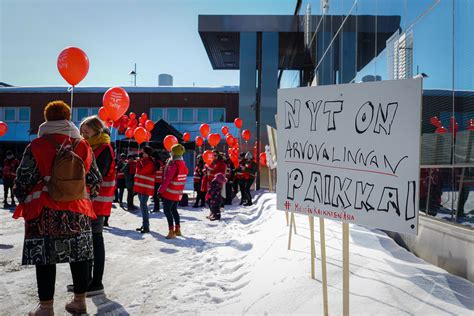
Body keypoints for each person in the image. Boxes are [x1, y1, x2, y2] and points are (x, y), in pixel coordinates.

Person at [13, 101, 102, 315]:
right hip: (77, 212)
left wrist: (21, 196)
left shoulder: (36, 145)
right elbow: (95, 181)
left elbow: (23, 179)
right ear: (68, 117)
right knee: (79, 256)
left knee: (44, 258)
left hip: (43, 212)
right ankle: (79, 301)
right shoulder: (83, 145)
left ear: (46, 119)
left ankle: (45, 308)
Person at [79, 116, 115, 297]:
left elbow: (97, 174)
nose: (83, 134)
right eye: (82, 131)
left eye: (87, 131)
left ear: (96, 130)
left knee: (95, 239)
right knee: (87, 241)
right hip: (85, 201)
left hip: (98, 202)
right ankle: (85, 280)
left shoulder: (104, 148)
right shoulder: (88, 147)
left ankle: (96, 282)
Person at [158, 144, 188, 239]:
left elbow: (167, 179)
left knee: (167, 210)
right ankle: (177, 230)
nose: (170, 152)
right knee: (174, 210)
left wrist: (160, 191)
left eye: (171, 151)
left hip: (170, 192)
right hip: (178, 192)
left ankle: (171, 231)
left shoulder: (173, 164)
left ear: (174, 153)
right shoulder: (183, 164)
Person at [134, 146, 156, 233]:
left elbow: (140, 171)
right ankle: (144, 225)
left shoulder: (150, 163)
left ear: (147, 154)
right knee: (142, 206)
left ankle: (146, 226)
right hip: (141, 187)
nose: (141, 153)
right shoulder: (143, 161)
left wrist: (138, 162)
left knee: (143, 205)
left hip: (146, 188)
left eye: (143, 152)